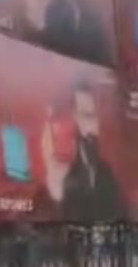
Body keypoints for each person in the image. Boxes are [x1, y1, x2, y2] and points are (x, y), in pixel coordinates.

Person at [41, 82, 126, 222]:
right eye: (86, 115)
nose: (93, 124)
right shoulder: (62, 171)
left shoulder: (107, 173)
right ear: (74, 119)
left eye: (93, 115)